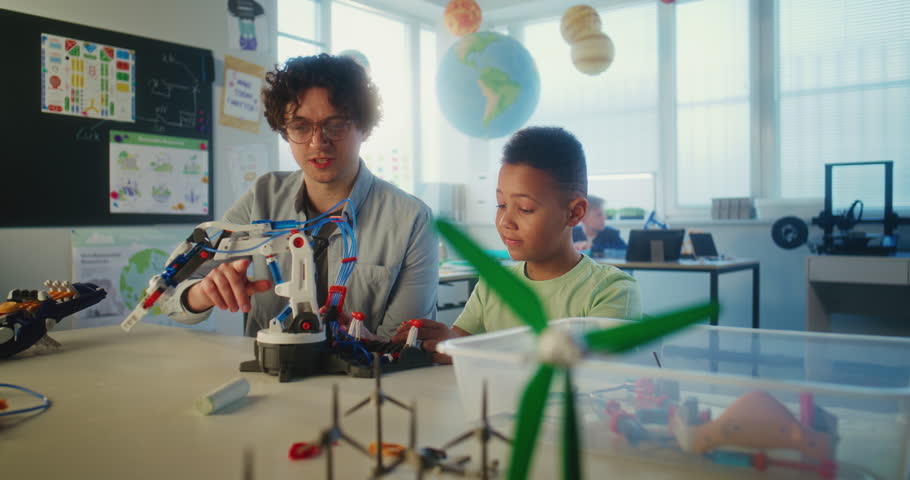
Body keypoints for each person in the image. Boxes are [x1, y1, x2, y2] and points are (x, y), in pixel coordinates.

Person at [162, 54, 439, 339]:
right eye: (300, 126)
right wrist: (202, 293)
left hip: (364, 382)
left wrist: (357, 340)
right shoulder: (262, 198)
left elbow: (403, 344)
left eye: (336, 124)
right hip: (269, 379)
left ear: (364, 128)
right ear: (284, 131)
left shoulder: (412, 221)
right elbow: (166, 290)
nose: (318, 142)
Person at [392, 126, 642, 362]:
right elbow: (461, 343)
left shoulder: (611, 290)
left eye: (525, 208)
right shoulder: (494, 284)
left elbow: (590, 373)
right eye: (501, 204)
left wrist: (472, 352)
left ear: (574, 213)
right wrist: (445, 342)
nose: (505, 221)